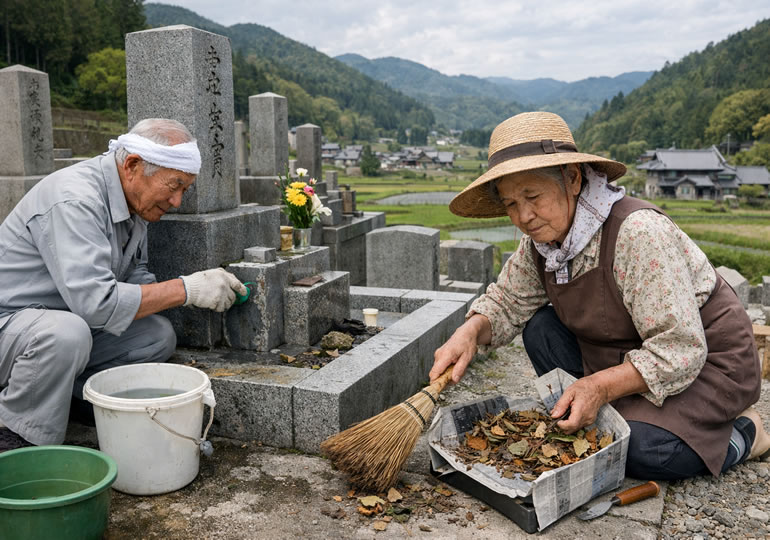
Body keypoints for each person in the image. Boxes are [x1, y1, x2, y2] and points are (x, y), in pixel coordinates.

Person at [430, 111, 770, 480]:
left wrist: (597, 385)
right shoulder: (542, 244)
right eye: (511, 204)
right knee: (540, 329)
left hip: (706, 363)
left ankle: (745, 434)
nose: (524, 216)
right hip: (624, 354)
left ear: (572, 179)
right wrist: (469, 331)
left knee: (642, 452)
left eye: (532, 196)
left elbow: (681, 348)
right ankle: (605, 410)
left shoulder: (637, 232)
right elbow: (507, 302)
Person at [0, 118, 246, 452]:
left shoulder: (134, 207)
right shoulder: (76, 200)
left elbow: (135, 276)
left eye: (184, 190)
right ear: (132, 165)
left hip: (64, 322)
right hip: (13, 326)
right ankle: (16, 440)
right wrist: (187, 289)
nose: (177, 202)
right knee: (64, 334)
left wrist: (176, 293)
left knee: (155, 336)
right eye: (174, 186)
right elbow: (97, 304)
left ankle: (67, 400)